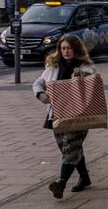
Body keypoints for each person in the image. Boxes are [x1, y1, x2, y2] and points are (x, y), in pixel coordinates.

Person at [33, 34, 96, 198]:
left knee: (70, 148)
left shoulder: (85, 68)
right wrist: (40, 94)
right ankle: (84, 177)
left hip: (78, 116)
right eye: (63, 48)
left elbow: (93, 87)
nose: (66, 51)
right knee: (69, 149)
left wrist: (81, 80)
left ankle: (61, 183)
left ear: (76, 49)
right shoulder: (53, 67)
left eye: (69, 48)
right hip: (57, 114)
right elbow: (38, 82)